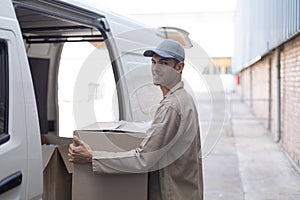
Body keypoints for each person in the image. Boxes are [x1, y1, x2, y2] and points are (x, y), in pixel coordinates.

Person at [68, 39, 203, 200]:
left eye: (164, 63)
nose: (156, 68)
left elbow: (143, 159)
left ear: (179, 67)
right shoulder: (183, 98)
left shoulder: (172, 106)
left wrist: (92, 157)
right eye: (154, 62)